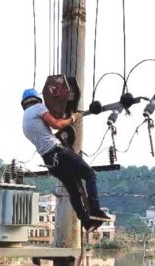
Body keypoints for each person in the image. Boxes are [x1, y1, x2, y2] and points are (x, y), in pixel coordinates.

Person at [21, 88, 110, 232]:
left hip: (50, 162)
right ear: (37, 99)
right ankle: (95, 210)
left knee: (74, 191)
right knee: (90, 174)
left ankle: (86, 222)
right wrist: (72, 119)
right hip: (59, 153)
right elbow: (57, 124)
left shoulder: (25, 121)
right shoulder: (38, 108)